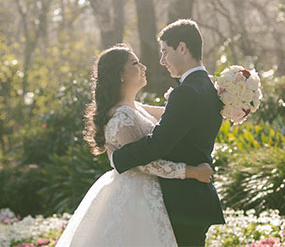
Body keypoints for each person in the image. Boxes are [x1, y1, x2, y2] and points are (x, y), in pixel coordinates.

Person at [56, 43, 214, 247]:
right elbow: (142, 163)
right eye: (135, 63)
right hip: (137, 196)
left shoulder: (134, 108)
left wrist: (207, 91)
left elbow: (174, 112)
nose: (143, 67)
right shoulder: (122, 116)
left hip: (151, 193)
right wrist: (191, 172)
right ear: (119, 74)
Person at [112, 19, 225, 247]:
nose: (162, 61)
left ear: (182, 48)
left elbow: (158, 145)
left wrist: (118, 157)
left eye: (165, 52)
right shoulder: (209, 88)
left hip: (181, 202)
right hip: (196, 199)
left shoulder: (186, 92)